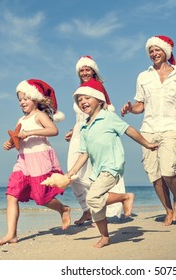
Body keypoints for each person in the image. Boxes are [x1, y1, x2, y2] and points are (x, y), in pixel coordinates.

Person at [43, 78, 158, 248]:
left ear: (99, 100)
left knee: (93, 197)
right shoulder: (84, 127)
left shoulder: (109, 117)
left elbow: (130, 130)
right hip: (98, 170)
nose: (83, 102)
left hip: (112, 165)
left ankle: (125, 197)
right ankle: (105, 236)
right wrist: (70, 173)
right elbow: (84, 153)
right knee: (95, 204)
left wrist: (147, 144)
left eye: (87, 98)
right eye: (79, 100)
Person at [120, 35, 176, 226]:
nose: (153, 53)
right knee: (154, 174)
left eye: (157, 49)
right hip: (148, 129)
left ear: (166, 52)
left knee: (168, 170)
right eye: (151, 51)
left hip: (171, 126)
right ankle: (167, 209)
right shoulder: (143, 76)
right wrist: (129, 109)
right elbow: (140, 106)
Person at [0, 79, 70, 246]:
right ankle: (11, 234)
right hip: (23, 160)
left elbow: (53, 130)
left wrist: (30, 132)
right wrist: (10, 143)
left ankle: (63, 209)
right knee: (11, 194)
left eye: (25, 98)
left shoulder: (40, 115)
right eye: (19, 100)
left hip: (39, 159)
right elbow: (17, 141)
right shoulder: (20, 121)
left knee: (41, 197)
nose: (22, 102)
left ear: (35, 99)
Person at [64, 56, 125, 225]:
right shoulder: (80, 89)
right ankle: (87, 209)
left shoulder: (98, 87)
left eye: (87, 69)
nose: (84, 72)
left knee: (92, 173)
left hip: (93, 133)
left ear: (93, 71)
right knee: (73, 173)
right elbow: (81, 115)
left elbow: (104, 110)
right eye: (81, 70)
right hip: (79, 132)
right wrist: (72, 129)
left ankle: (98, 207)